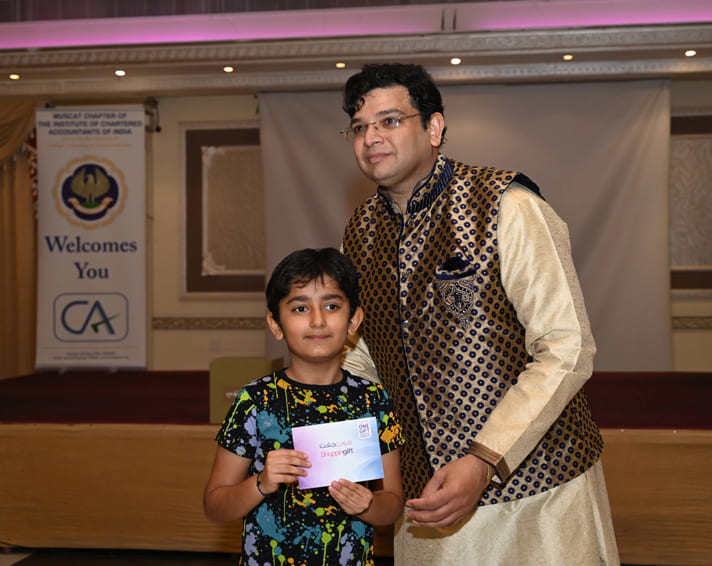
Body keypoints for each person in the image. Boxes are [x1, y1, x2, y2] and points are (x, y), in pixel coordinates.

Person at [339, 63, 620, 565]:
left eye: (389, 121)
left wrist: (484, 459)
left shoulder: (506, 204)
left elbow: (565, 348)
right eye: (359, 127)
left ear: (434, 127)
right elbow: (360, 361)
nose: (371, 137)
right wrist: (318, 429)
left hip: (537, 491)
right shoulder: (359, 233)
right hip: (427, 501)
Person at [203, 247, 405, 566]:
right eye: (300, 308)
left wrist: (368, 504)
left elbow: (392, 505)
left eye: (331, 306)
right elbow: (215, 506)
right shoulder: (255, 401)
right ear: (275, 324)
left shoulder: (372, 400)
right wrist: (261, 483)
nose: (317, 320)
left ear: (353, 320)